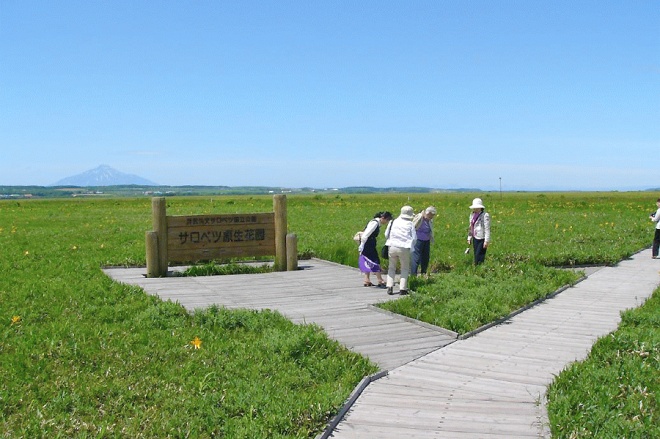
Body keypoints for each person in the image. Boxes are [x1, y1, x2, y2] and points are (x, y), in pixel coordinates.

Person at [385, 206, 416, 295]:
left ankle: (389, 286)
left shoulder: (393, 221)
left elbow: (386, 234)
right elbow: (414, 238)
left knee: (391, 267)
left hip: (392, 246)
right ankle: (402, 288)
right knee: (405, 268)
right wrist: (411, 247)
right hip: (404, 247)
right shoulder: (410, 224)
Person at [358, 211, 393, 286]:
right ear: (383, 218)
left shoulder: (375, 222)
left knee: (367, 260)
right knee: (375, 260)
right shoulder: (375, 223)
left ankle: (366, 280)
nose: (386, 222)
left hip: (368, 243)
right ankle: (380, 279)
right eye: (387, 220)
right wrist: (362, 245)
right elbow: (366, 235)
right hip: (368, 243)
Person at [411, 206, 437, 275]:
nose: (432, 217)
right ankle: (413, 275)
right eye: (431, 215)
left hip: (426, 240)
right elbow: (413, 226)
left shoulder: (429, 219)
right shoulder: (420, 217)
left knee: (426, 257)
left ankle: (423, 273)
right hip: (418, 240)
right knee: (416, 257)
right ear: (428, 213)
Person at [467, 198, 491, 265]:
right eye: (474, 208)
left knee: (479, 255)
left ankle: (480, 268)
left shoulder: (485, 215)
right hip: (475, 237)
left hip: (482, 238)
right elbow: (471, 227)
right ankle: (477, 267)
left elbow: (487, 229)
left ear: (480, 208)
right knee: (476, 254)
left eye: (477, 208)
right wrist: (469, 237)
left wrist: (486, 241)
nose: (475, 209)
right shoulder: (472, 215)